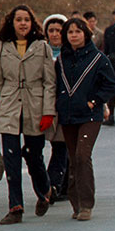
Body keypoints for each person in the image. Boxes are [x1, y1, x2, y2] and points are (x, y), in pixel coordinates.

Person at [0, 5, 57, 224]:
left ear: (32, 23)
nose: (23, 23)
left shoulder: (42, 47)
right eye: (19, 19)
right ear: (12, 22)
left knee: (35, 156)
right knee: (12, 159)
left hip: (34, 107)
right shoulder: (2, 47)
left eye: (27, 19)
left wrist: (48, 112)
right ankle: (15, 206)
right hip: (8, 107)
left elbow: (49, 82)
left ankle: (44, 191)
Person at [55, 18, 115, 221]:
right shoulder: (62, 60)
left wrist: (94, 102)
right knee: (73, 159)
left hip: (90, 115)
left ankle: (87, 204)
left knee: (83, 155)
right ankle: (76, 203)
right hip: (67, 115)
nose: (74, 35)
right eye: (70, 32)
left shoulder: (98, 58)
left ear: (86, 34)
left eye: (78, 31)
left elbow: (110, 84)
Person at [43, 14, 70, 203]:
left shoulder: (72, 53)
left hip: (66, 106)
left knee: (62, 145)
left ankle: (53, 183)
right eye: (51, 30)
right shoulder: (41, 52)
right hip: (45, 105)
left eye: (58, 31)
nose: (54, 34)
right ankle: (58, 184)